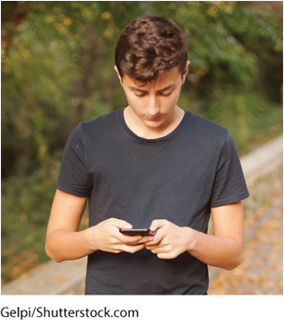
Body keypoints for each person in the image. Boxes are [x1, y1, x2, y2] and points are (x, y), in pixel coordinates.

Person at [45, 16, 249, 295]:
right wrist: (93, 238)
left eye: (166, 91)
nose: (153, 108)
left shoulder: (216, 142)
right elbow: (54, 246)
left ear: (184, 73)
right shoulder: (87, 138)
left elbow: (233, 254)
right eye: (139, 92)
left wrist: (190, 239)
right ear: (119, 76)